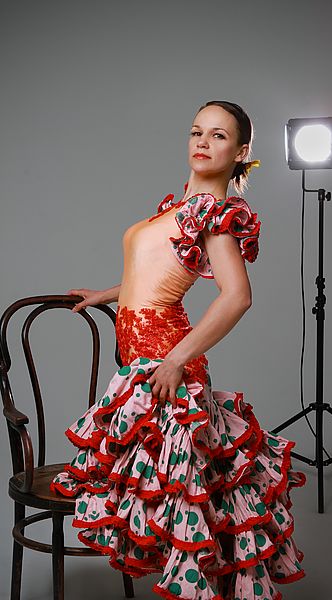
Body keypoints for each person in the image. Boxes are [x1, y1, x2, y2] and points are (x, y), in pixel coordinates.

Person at [50, 100, 307, 600]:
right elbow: (153, 279)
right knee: (179, 506)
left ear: (241, 152)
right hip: (142, 365)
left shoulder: (213, 215)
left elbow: (238, 297)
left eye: (218, 136)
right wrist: (108, 295)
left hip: (164, 368)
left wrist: (175, 360)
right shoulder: (177, 209)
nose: (203, 143)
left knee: (184, 509)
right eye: (196, 132)